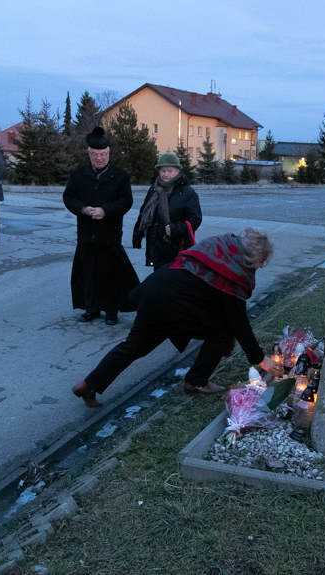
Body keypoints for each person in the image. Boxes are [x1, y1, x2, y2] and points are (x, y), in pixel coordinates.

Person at [72, 229, 283, 408]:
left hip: (154, 293)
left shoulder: (220, 245)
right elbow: (238, 322)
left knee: (133, 347)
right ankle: (196, 382)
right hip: (173, 305)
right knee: (223, 331)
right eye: (261, 261)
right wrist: (259, 358)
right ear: (252, 256)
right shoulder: (234, 271)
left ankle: (89, 384)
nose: (260, 267)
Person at [63, 127, 140, 325]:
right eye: (95, 155)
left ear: (109, 153)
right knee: (88, 274)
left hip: (109, 234)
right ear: (89, 154)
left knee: (110, 275)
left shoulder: (120, 176)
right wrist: (82, 209)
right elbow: (69, 197)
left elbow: (126, 201)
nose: (99, 158)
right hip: (87, 234)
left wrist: (105, 211)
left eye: (103, 154)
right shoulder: (79, 174)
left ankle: (112, 312)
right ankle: (91, 309)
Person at [133, 152, 202, 271]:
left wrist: (175, 228)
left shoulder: (186, 192)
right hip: (156, 246)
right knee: (158, 281)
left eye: (170, 171)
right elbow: (143, 213)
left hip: (176, 248)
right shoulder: (153, 190)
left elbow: (196, 219)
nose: (166, 175)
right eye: (163, 171)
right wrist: (137, 237)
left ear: (177, 171)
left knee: (174, 284)